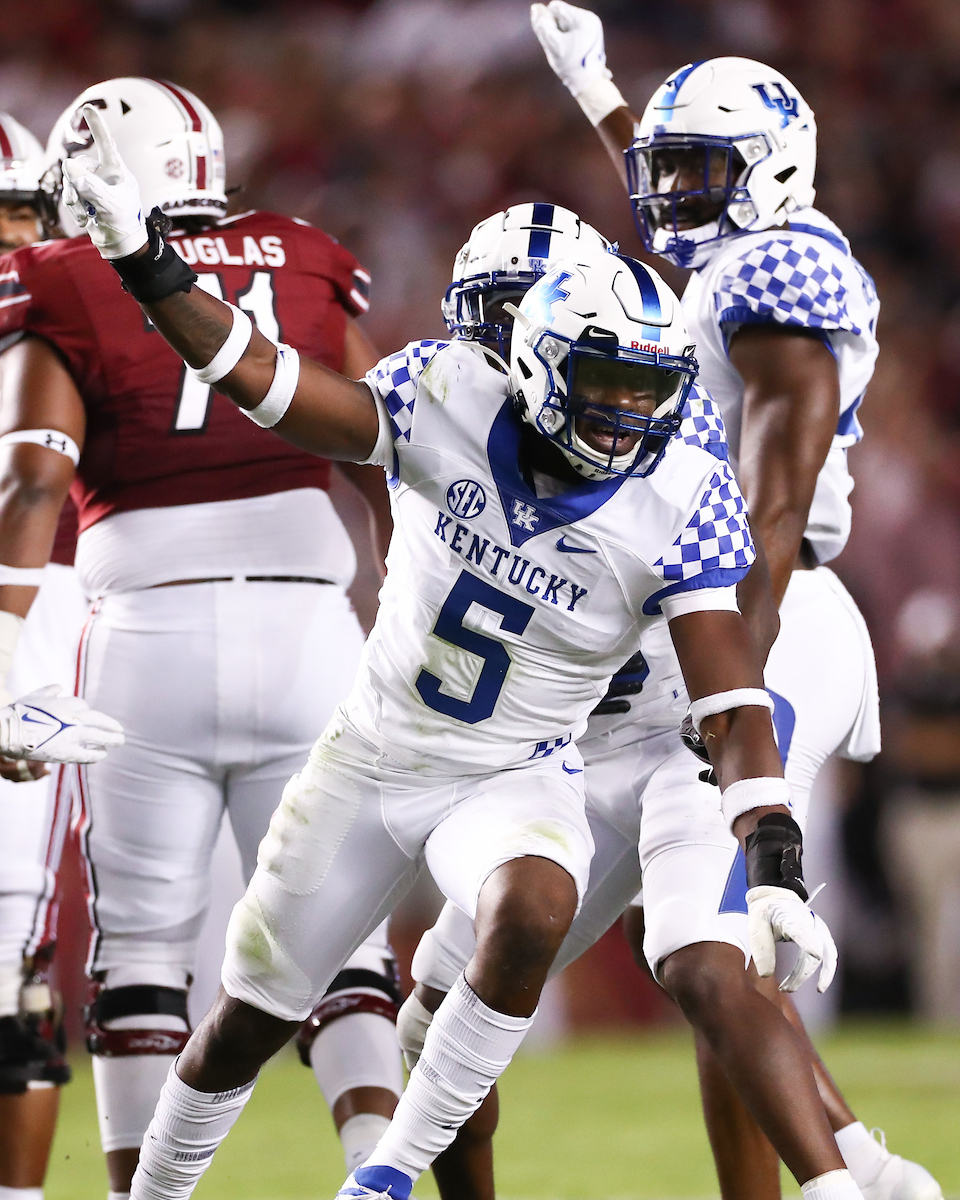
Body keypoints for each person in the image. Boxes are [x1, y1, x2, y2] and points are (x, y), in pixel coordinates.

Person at [67, 104, 858, 1200]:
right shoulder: (446, 396)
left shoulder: (681, 491)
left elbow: (729, 695)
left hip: (516, 769)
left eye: (649, 389)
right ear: (534, 365)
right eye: (604, 384)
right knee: (247, 1021)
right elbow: (271, 384)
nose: (628, 416)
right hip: (373, 752)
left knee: (534, 903)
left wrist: (771, 853)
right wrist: (146, 263)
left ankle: (389, 1175)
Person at [524, 5, 942, 1199]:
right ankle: (868, 1170)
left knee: (710, 950)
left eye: (697, 170)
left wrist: (728, 696)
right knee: (703, 946)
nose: (668, 195)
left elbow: (771, 512)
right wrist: (602, 94)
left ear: (770, 173)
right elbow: (687, 229)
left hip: (771, 609)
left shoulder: (784, 273)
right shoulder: (737, 253)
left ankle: (846, 1184)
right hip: (722, 613)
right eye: (666, 169)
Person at [0, 79, 404, 1200]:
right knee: (346, 946)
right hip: (312, 631)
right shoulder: (308, 258)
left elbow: (32, 477)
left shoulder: (60, 277)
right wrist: (407, 617)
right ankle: (374, 1174)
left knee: (141, 955)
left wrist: (2, 653)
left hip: (147, 637)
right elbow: (387, 449)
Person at [0, 109, 124, 1200]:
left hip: (31, 620)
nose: (11, 239)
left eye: (21, 214)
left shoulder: (55, 328)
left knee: (14, 965)